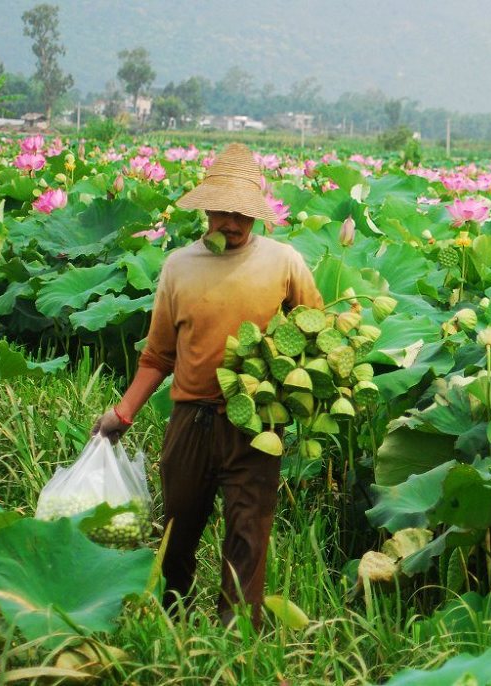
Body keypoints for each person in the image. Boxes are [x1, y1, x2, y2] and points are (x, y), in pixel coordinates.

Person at [92, 143, 323, 629]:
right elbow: (158, 355)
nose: (232, 224)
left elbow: (316, 331)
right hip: (190, 421)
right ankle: (172, 626)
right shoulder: (179, 266)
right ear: (207, 207)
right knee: (177, 533)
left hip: (257, 424)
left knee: (248, 537)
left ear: (255, 215)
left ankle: (237, 642)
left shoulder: (285, 263)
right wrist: (124, 413)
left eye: (243, 215)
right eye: (224, 212)